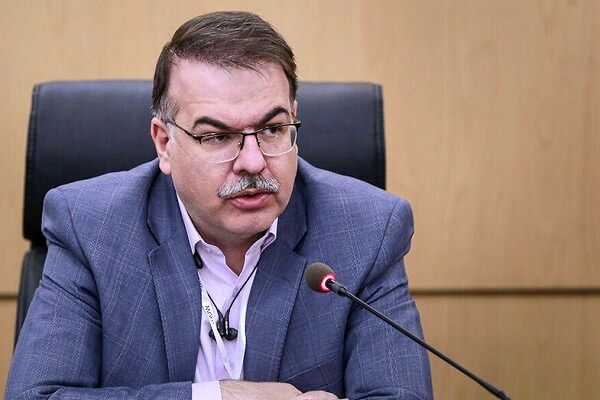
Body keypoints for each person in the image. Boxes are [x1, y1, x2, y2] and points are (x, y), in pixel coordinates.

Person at [6, 11, 433, 400]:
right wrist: (217, 397)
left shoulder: (367, 230)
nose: (253, 161)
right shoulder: (91, 227)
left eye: (272, 129)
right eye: (217, 136)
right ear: (164, 143)